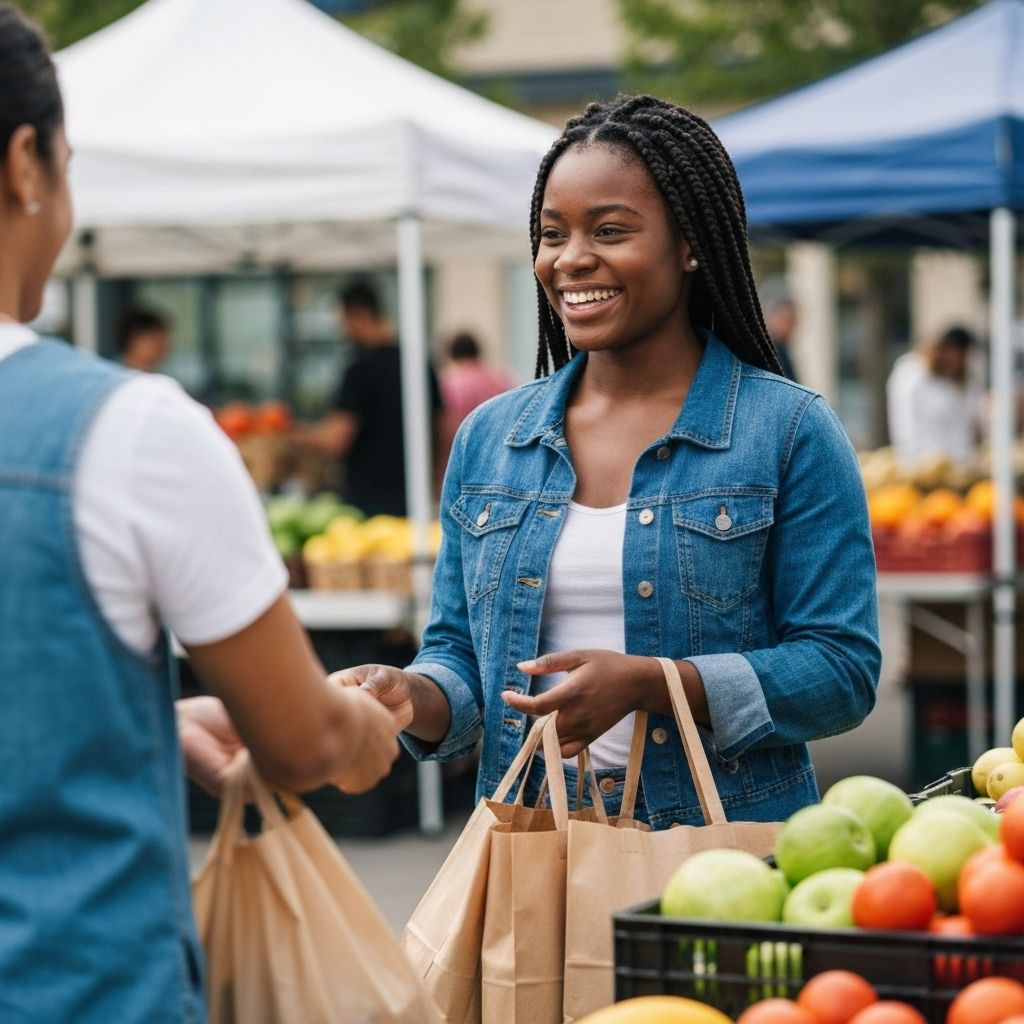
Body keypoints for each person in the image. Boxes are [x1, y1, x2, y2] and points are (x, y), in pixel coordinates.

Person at [0, 9, 399, 1022]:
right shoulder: (127, 431)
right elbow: (302, 739)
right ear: (25, 165)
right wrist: (364, 730)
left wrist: (135, 721)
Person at [334, 95, 881, 830]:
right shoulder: (491, 439)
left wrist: (658, 684)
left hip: (717, 853)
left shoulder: (786, 431)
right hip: (531, 845)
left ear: (690, 244)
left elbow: (841, 671)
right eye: (551, 233)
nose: (571, 258)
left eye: (611, 230)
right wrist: (410, 693)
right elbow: (462, 659)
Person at [298, 281, 443, 516]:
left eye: (344, 320)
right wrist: (438, 482)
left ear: (360, 315)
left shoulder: (359, 370)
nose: (342, 329)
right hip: (414, 495)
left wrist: (298, 434)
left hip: (367, 501)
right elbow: (444, 426)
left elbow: (337, 438)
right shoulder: (418, 363)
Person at [886, 325, 980, 469]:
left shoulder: (963, 381)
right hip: (922, 464)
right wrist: (910, 460)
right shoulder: (912, 373)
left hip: (958, 465)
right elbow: (905, 422)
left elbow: (965, 427)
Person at [439, 330, 516, 432]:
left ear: (452, 355)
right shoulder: (500, 377)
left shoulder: (451, 382)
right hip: (500, 435)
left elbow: (448, 421)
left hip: (466, 438)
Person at [116, 304, 172, 371]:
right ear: (134, 339)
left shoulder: (159, 377)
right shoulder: (112, 376)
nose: (162, 348)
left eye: (164, 341)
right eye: (155, 340)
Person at [765, 296, 799, 382]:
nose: (791, 328)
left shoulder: (783, 348)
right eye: (788, 321)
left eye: (793, 322)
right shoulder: (773, 350)